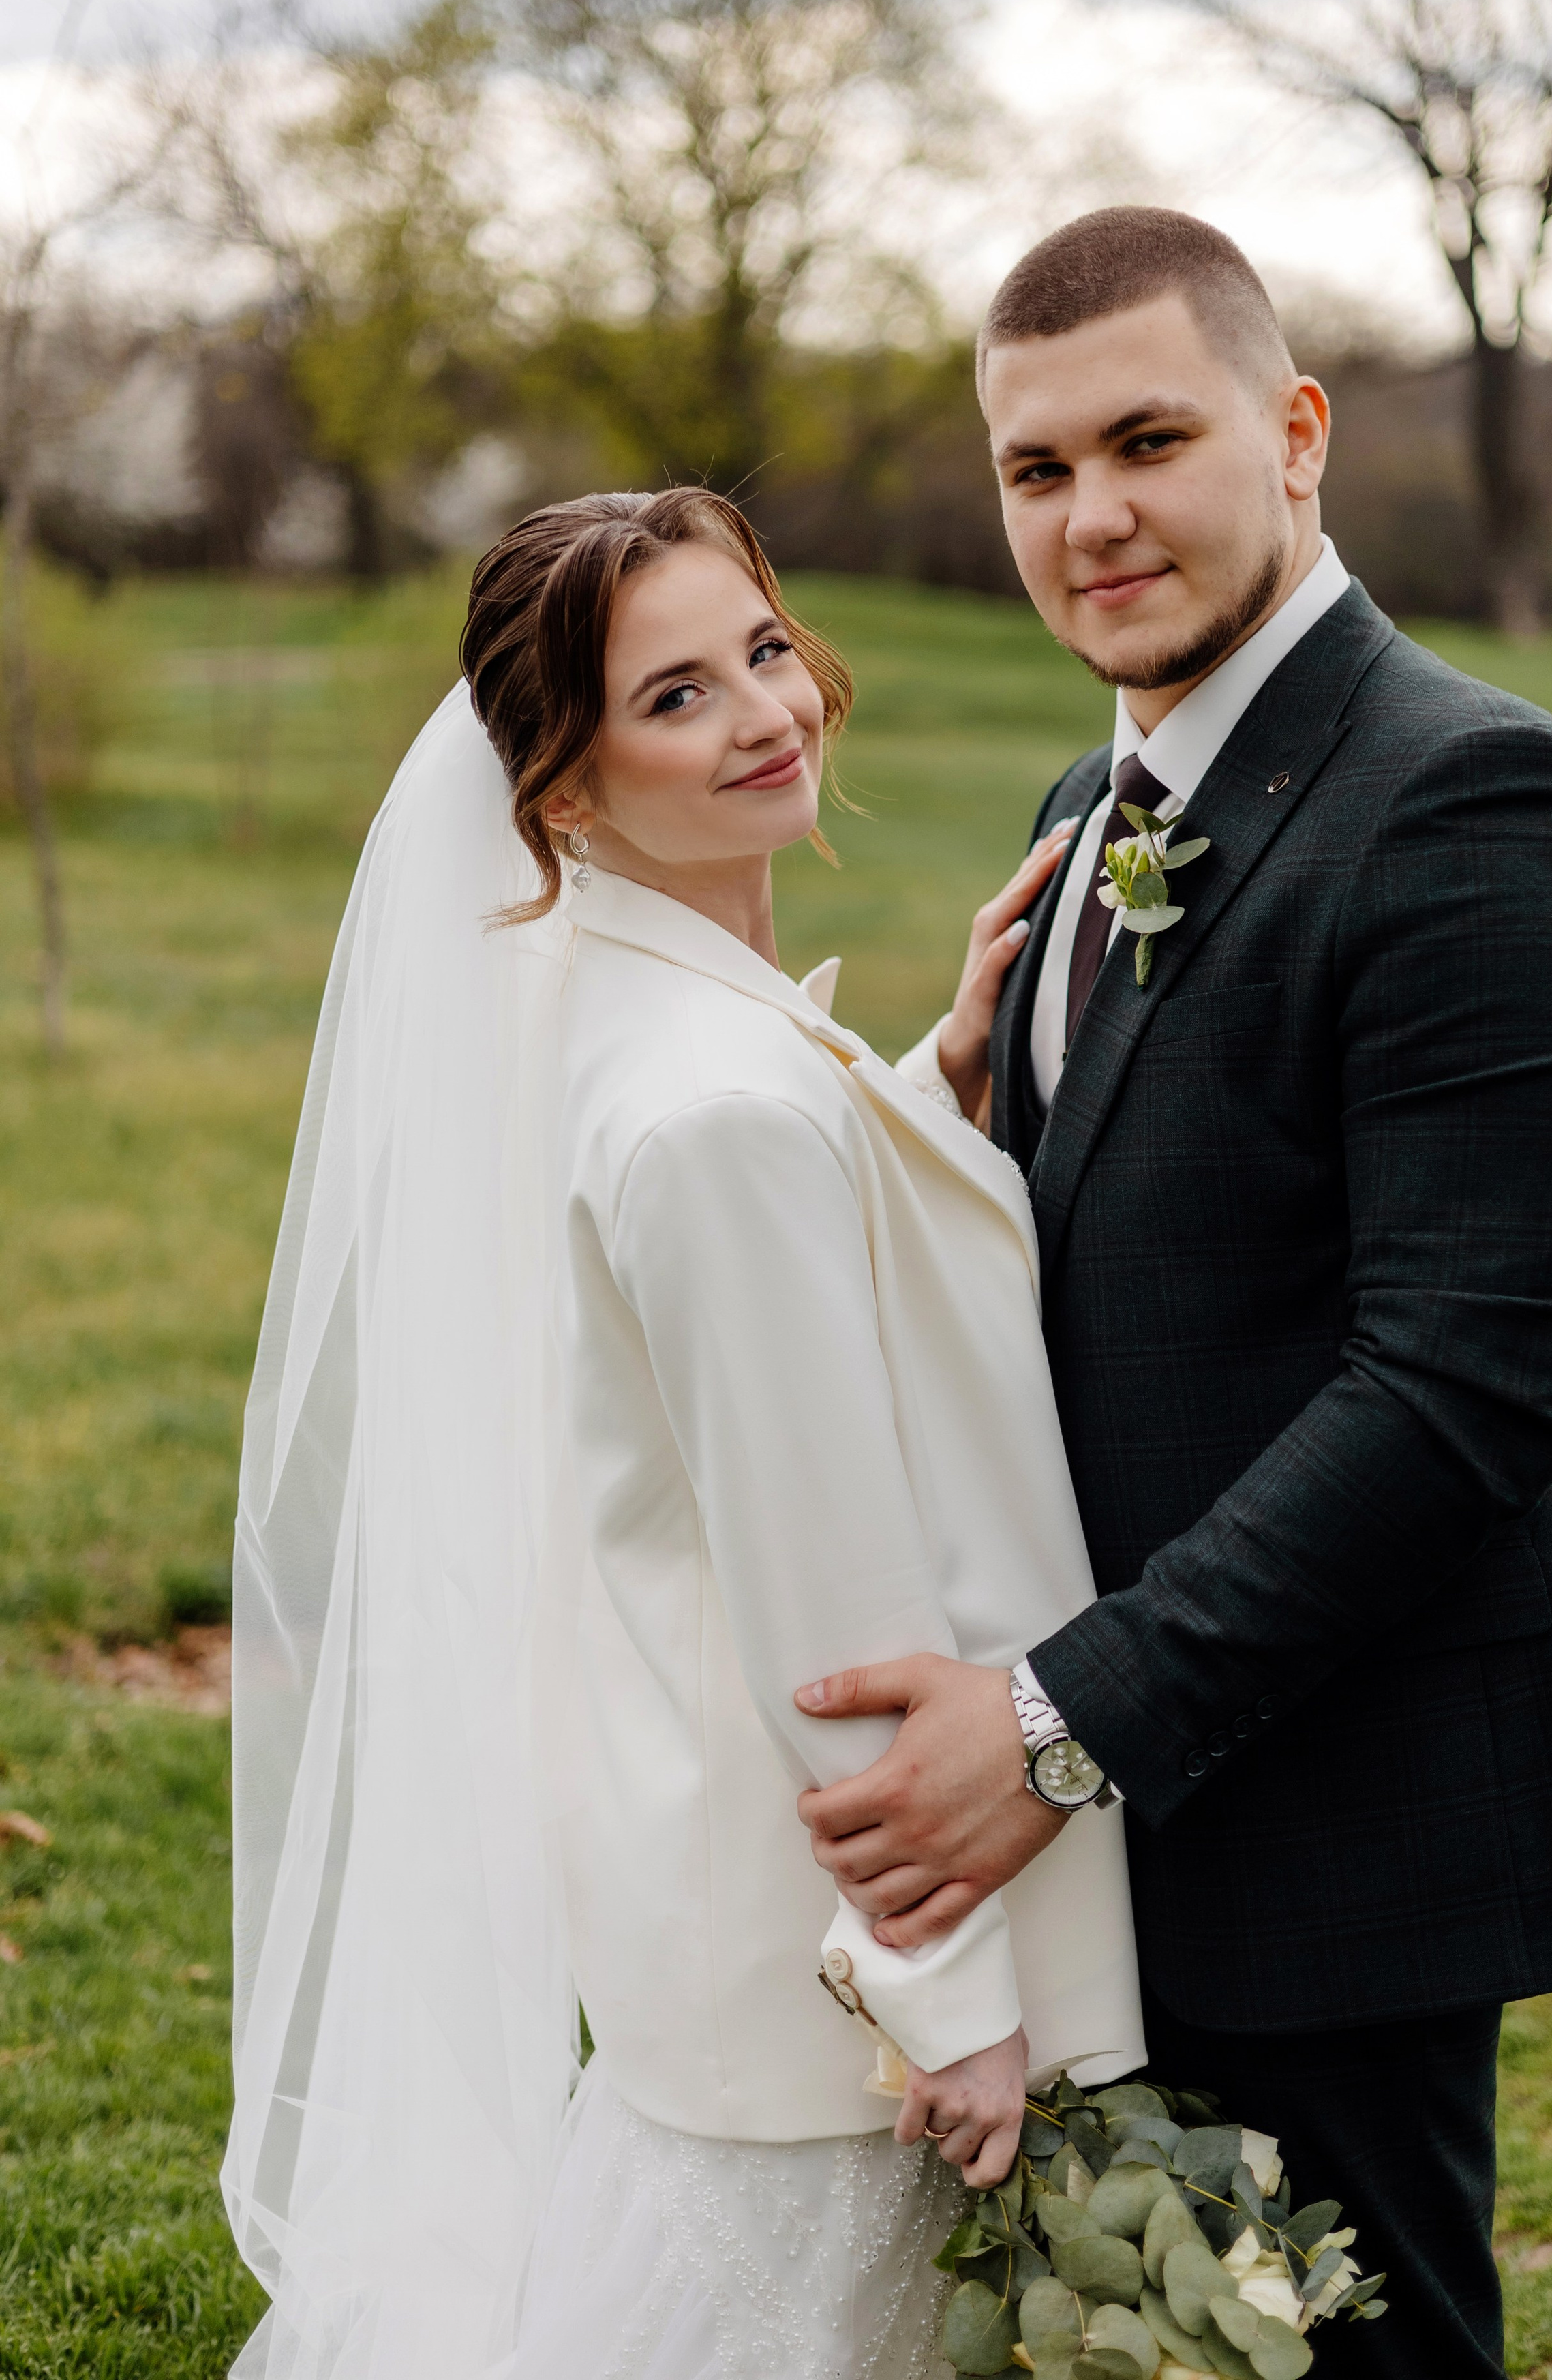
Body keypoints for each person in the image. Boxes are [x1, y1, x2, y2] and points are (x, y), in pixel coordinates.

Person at [792, 208, 1552, 2379]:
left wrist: (1055, 1725)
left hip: (1335, 1832)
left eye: (1145, 441)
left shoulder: (1484, 808)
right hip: (1122, 1840)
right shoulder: (1089, 808)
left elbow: (1465, 1398)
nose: (1089, 518)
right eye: (1034, 469)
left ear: (1294, 435)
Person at [221, 485, 1144, 2380]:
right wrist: (946, 1998)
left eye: (766, 649)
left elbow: (701, 1320)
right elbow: (837, 1604)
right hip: (844, 2004)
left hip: (701, 1919)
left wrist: (920, 1089)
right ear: (560, 786)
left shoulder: (622, 1013)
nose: (764, 714)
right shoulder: (711, 1111)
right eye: (675, 698)